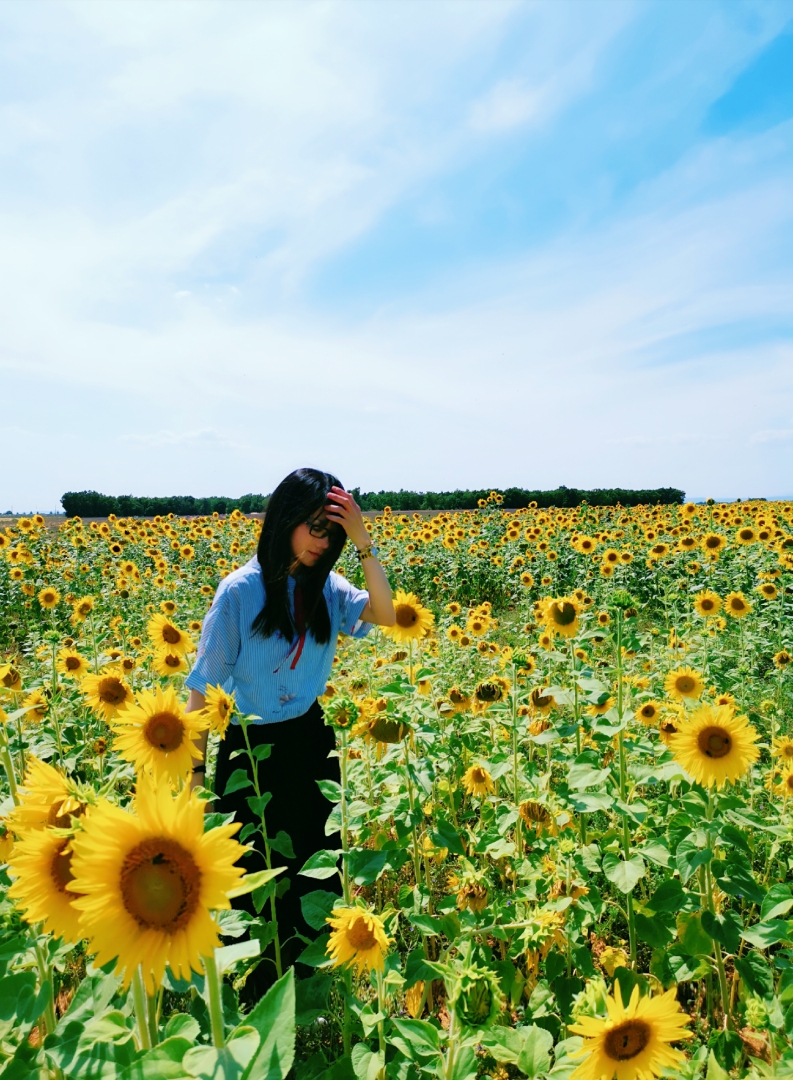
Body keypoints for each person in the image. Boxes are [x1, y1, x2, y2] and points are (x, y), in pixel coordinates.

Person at [184, 468, 395, 996]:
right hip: (251, 751)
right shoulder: (239, 592)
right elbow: (200, 689)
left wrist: (365, 544)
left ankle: (304, 990)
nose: (320, 543)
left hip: (310, 740)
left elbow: (388, 614)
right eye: (311, 527)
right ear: (283, 521)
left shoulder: (329, 589)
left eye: (331, 533)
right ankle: (255, 995)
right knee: (251, 874)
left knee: (312, 869)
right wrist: (194, 781)